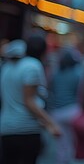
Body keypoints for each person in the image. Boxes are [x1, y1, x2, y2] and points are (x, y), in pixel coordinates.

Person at [0, 36, 62, 164]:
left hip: (6, 128)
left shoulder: (7, 67)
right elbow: (29, 101)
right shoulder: (32, 66)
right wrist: (51, 123)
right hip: (26, 130)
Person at [48, 47, 83, 164]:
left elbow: (51, 90)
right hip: (72, 110)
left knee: (61, 142)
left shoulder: (55, 74)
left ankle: (62, 160)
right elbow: (79, 93)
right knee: (72, 140)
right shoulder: (77, 74)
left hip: (57, 112)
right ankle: (70, 159)